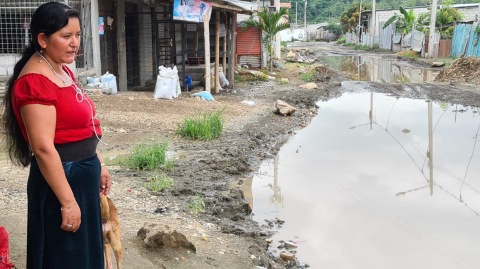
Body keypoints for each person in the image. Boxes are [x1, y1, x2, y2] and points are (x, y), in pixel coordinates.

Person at [2, 2, 110, 268]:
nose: (75, 43)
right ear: (42, 39)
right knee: (65, 256)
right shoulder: (34, 82)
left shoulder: (61, 70)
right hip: (61, 183)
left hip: (82, 177)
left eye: (77, 35)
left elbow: (78, 126)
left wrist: (98, 162)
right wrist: (68, 202)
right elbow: (42, 148)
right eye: (66, 36)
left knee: (84, 255)